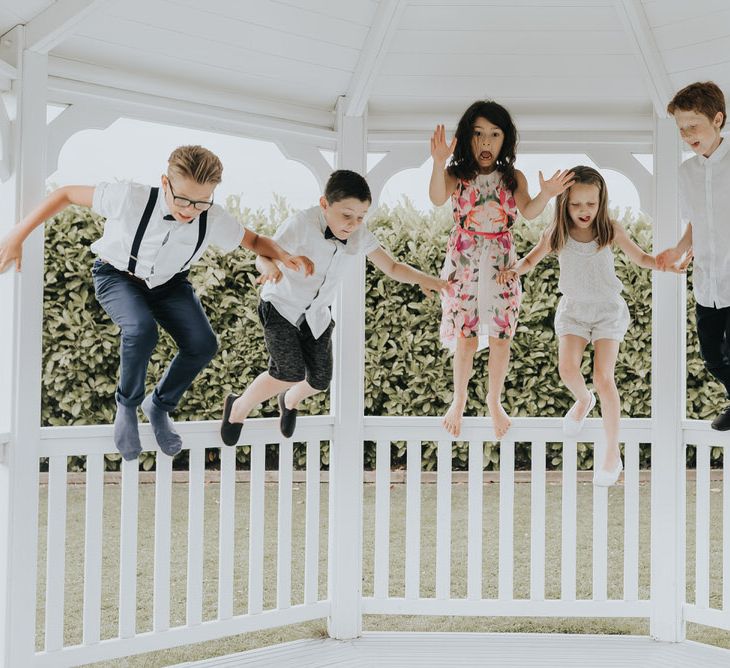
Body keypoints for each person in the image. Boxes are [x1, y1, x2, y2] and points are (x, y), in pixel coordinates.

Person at [0, 145, 312, 460]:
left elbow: (255, 241)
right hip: (117, 275)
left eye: (202, 202)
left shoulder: (213, 218)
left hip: (170, 284)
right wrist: (17, 235)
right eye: (182, 199)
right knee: (140, 329)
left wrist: (282, 257)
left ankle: (159, 406)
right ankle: (127, 407)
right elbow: (65, 194)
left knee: (203, 344)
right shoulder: (129, 197)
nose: (190, 210)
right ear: (166, 183)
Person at [220, 169, 449, 445]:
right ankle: (239, 407)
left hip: (315, 314)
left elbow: (392, 266)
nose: (353, 224)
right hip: (282, 305)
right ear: (324, 204)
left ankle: (289, 399)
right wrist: (270, 268)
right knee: (288, 371)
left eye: (361, 217)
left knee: (319, 381)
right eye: (347, 215)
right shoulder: (300, 224)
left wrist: (428, 280)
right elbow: (264, 255)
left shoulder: (359, 234)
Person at [499, 166, 686, 486]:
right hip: (574, 310)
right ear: (564, 204)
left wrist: (662, 263)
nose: (584, 211)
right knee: (568, 370)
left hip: (606, 311)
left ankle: (612, 453)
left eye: (591, 204)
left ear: (601, 202)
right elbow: (531, 259)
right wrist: (515, 269)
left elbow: (641, 258)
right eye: (576, 204)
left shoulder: (609, 229)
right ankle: (583, 400)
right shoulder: (556, 232)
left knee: (603, 376)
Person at [430, 99, 574, 440]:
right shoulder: (456, 174)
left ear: (504, 140)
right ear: (468, 137)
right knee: (465, 336)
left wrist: (547, 194)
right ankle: (459, 399)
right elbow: (437, 197)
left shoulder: (513, 177)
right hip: (464, 257)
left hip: (500, 260)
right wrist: (438, 163)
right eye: (478, 134)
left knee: (500, 335)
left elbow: (530, 210)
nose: (485, 142)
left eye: (494, 134)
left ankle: (494, 400)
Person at [656, 81, 729, 430]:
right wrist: (679, 248)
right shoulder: (686, 173)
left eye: (693, 125)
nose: (687, 134)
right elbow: (695, 224)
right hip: (707, 283)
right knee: (712, 357)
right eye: (681, 128)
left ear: (718, 119)